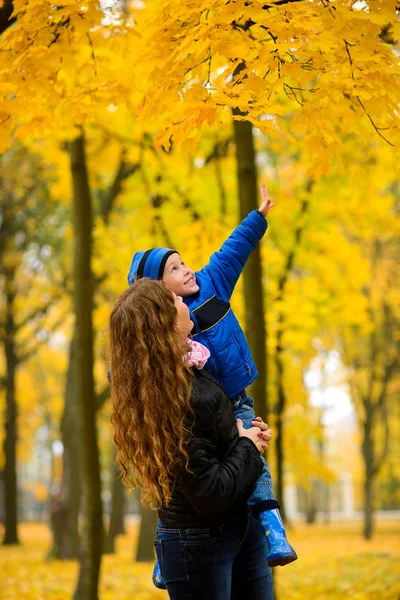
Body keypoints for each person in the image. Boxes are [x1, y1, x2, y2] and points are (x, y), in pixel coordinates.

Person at [127, 183, 297, 589]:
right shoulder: (158, 341)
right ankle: (165, 554)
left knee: (254, 456)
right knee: (173, 472)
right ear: (157, 292)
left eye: (183, 262)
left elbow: (232, 251)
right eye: (174, 269)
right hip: (198, 414)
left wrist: (258, 217)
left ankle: (271, 522)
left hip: (233, 397)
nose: (186, 270)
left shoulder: (212, 284)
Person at [109, 279, 275, 600]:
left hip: (240, 526)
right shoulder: (176, 397)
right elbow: (208, 492)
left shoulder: (186, 372)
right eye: (177, 302)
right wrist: (248, 446)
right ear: (166, 324)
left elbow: (213, 445)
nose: (187, 303)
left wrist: (246, 437)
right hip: (200, 541)